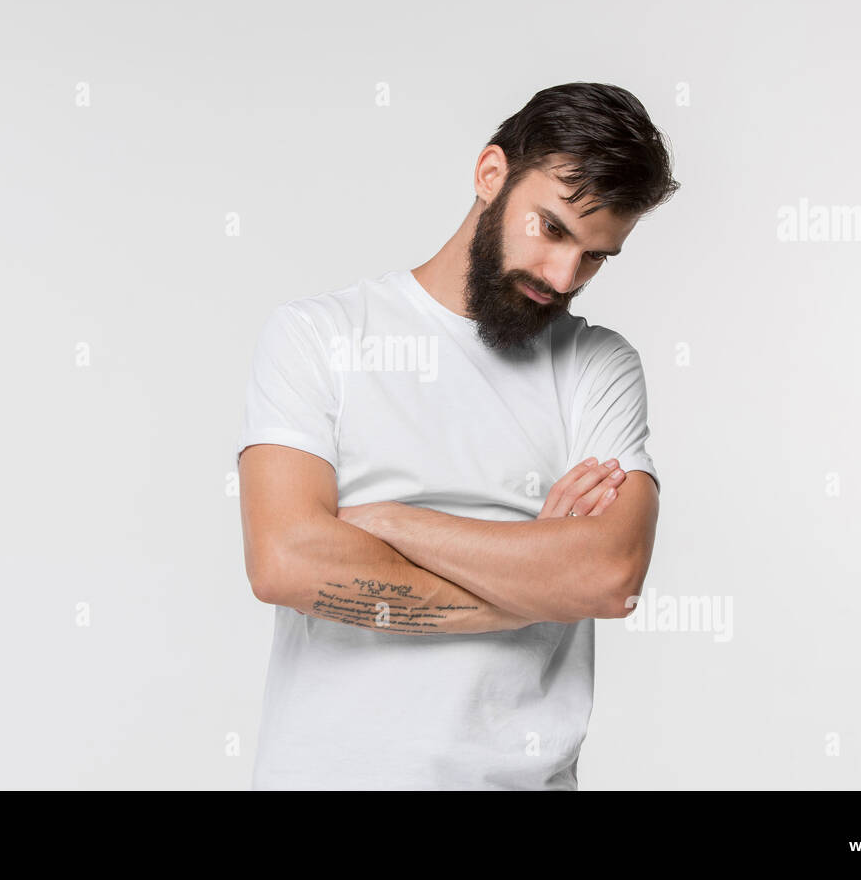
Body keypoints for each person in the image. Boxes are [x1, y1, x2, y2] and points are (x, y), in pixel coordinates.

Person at [235, 81, 679, 790]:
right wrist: (537, 578)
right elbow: (285, 563)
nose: (564, 275)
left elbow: (606, 575)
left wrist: (390, 522)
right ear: (490, 174)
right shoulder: (320, 336)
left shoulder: (598, 365)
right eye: (554, 229)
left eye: (596, 256)